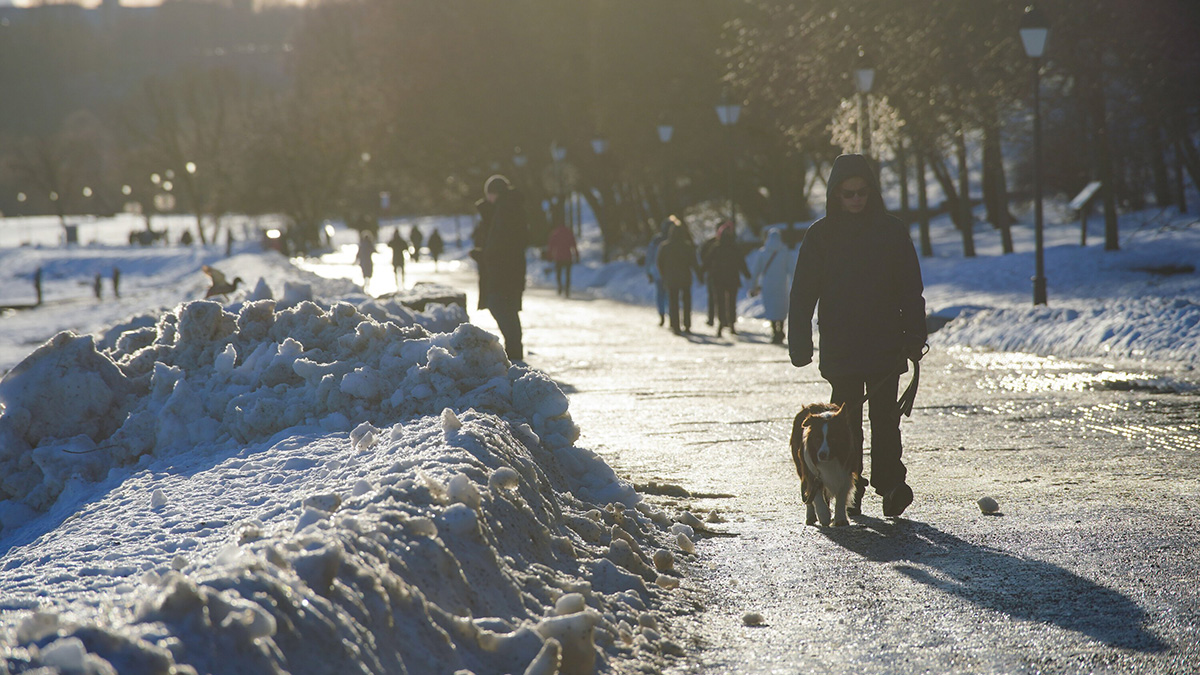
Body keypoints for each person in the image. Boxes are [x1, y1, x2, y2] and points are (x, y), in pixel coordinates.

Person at [788, 153, 927, 519]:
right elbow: (803, 292)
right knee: (844, 423)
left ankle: (891, 485)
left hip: (886, 342)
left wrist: (914, 334)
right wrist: (799, 341)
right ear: (835, 194)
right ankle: (852, 483)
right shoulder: (820, 235)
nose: (855, 199)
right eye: (847, 193)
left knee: (886, 420)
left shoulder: (891, 231)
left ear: (872, 191)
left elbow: (910, 288)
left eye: (861, 192)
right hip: (841, 344)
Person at [472, 174, 529, 362]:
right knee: (506, 308)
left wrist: (484, 255)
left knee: (501, 306)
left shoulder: (505, 209)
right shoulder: (506, 208)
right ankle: (514, 351)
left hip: (504, 272)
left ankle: (514, 352)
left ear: (493, 193)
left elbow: (502, 243)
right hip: (508, 270)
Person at [702, 221, 749, 338]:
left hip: (718, 279)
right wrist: (747, 274)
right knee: (732, 303)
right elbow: (741, 262)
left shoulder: (716, 247)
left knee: (721, 302)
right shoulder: (734, 248)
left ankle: (720, 325)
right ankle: (732, 324)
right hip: (732, 278)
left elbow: (707, 261)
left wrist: (701, 272)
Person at [655, 216, 701, 335]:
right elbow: (694, 263)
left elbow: (659, 262)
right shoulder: (687, 246)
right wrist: (699, 275)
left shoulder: (665, 246)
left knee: (673, 301)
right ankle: (687, 324)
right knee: (686, 302)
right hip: (685, 278)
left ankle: (675, 325)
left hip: (671, 278)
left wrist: (664, 275)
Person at [749, 228, 793, 344]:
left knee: (771, 308)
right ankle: (781, 329)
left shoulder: (762, 252)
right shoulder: (785, 252)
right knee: (781, 308)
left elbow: (755, 271)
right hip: (781, 285)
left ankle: (774, 331)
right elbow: (792, 270)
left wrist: (753, 285)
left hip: (768, 285)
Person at [645, 220, 671, 326]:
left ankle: (662, 315)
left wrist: (648, 271)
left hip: (657, 273)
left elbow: (649, 257)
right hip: (669, 273)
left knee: (660, 294)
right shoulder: (671, 240)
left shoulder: (656, 241)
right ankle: (671, 315)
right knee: (669, 295)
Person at [546, 220, 579, 297]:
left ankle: (560, 286)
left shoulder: (555, 233)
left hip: (558, 257)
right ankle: (567, 289)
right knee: (568, 274)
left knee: (559, 273)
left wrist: (549, 255)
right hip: (568, 256)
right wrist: (576, 254)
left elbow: (551, 245)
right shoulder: (568, 233)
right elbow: (573, 245)